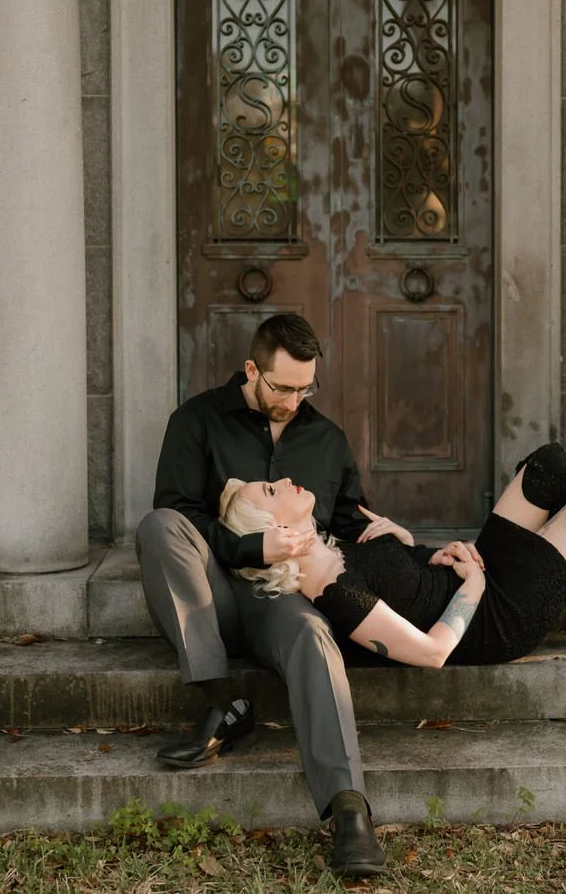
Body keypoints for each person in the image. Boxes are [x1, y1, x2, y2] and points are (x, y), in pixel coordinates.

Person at [134, 314, 399, 877]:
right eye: (282, 387)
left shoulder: (327, 440)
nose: (294, 399)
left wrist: (396, 540)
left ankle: (348, 808)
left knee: (310, 632)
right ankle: (220, 698)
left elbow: (351, 524)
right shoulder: (197, 421)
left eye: (306, 387)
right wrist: (251, 546)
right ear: (252, 369)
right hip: (212, 589)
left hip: (284, 595)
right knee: (158, 525)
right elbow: (180, 514)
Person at [219, 442, 566, 668]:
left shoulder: (338, 552)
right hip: (496, 619)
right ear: (273, 528)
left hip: (479, 573)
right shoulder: (335, 594)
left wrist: (414, 547)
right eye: (270, 491)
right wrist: (473, 588)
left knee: (552, 466)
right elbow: (434, 651)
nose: (284, 480)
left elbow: (408, 586)